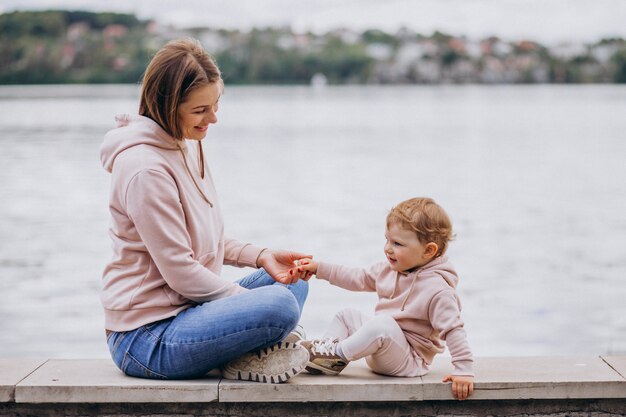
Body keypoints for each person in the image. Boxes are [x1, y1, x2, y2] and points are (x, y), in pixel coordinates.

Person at [99, 38, 311, 384]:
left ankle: (245, 349)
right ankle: (250, 349)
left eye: (215, 105)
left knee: (290, 281)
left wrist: (262, 256)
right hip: (146, 337)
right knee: (280, 306)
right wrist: (256, 312)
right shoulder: (145, 169)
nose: (212, 118)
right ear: (168, 106)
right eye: (200, 110)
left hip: (188, 311)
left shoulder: (185, 142)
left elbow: (205, 240)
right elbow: (181, 271)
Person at [292, 197, 475, 400]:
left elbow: (453, 329)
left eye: (397, 243)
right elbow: (357, 277)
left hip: (409, 361)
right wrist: (319, 268)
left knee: (382, 324)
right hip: (381, 347)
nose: (388, 248)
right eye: (387, 239)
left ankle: (335, 353)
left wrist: (463, 371)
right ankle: (325, 357)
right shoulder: (390, 270)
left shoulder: (438, 290)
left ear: (428, 250)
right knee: (347, 315)